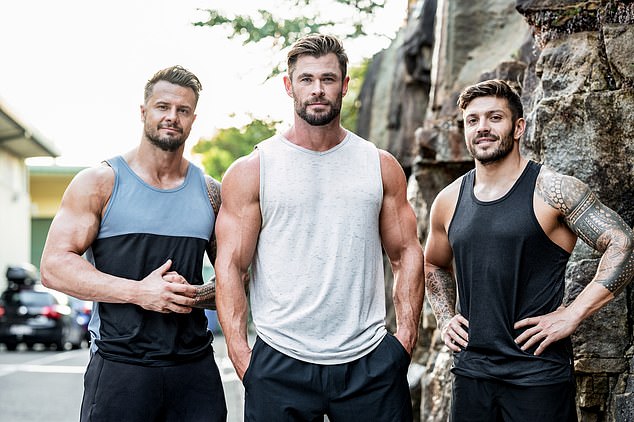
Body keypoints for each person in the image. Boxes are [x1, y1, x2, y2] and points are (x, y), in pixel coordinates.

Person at [214, 34, 425, 421]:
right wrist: (243, 355)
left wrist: (405, 340)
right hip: (280, 361)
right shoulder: (252, 170)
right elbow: (230, 266)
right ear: (288, 85)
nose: (317, 90)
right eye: (306, 79)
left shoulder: (379, 165)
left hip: (370, 362)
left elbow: (406, 252)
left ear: (344, 85)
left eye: (328, 79)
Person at [424, 79, 634, 421]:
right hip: (471, 373)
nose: (483, 128)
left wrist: (573, 313)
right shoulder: (448, 200)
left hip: (538, 376)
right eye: (473, 120)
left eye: (495, 118)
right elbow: (433, 264)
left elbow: (623, 243)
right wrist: (446, 317)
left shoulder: (553, 190)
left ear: (518, 126)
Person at [40, 65, 227, 422]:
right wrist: (140, 292)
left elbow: (237, 277)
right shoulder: (99, 183)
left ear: (193, 119)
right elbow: (53, 267)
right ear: (144, 111)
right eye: (162, 107)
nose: (171, 117)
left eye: (182, 110)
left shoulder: (211, 193)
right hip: (119, 368)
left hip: (193, 371)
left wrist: (194, 295)